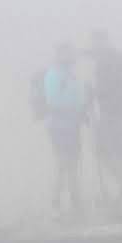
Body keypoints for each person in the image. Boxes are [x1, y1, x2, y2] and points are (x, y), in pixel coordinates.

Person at [29, 42, 91, 219]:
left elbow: (75, 97)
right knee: (64, 164)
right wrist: (77, 109)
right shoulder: (54, 75)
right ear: (60, 55)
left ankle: (72, 203)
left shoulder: (69, 75)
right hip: (59, 126)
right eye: (68, 54)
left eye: (71, 53)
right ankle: (60, 203)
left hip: (71, 125)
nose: (72, 57)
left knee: (69, 164)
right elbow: (54, 102)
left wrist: (83, 106)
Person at [86, 30, 122, 211]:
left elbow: (110, 87)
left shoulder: (113, 62)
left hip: (115, 113)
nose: (95, 49)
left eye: (97, 44)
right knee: (116, 150)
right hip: (120, 112)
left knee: (107, 150)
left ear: (103, 43)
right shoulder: (120, 59)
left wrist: (93, 93)